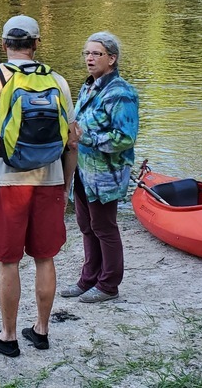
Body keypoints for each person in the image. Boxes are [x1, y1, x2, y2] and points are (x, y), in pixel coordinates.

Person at [0, 15, 77, 357]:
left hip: (4, 182)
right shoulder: (57, 81)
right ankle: (41, 331)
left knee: (9, 261)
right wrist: (65, 186)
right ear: (36, 44)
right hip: (49, 180)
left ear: (4, 45)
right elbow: (72, 142)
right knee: (45, 258)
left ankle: (9, 336)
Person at [59, 32, 139, 303]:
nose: (90, 58)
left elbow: (126, 137)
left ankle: (108, 285)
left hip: (106, 173)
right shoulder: (89, 86)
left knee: (104, 226)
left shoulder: (121, 93)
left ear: (112, 59)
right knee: (85, 224)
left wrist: (86, 137)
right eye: (87, 53)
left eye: (96, 54)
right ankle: (88, 279)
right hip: (83, 169)